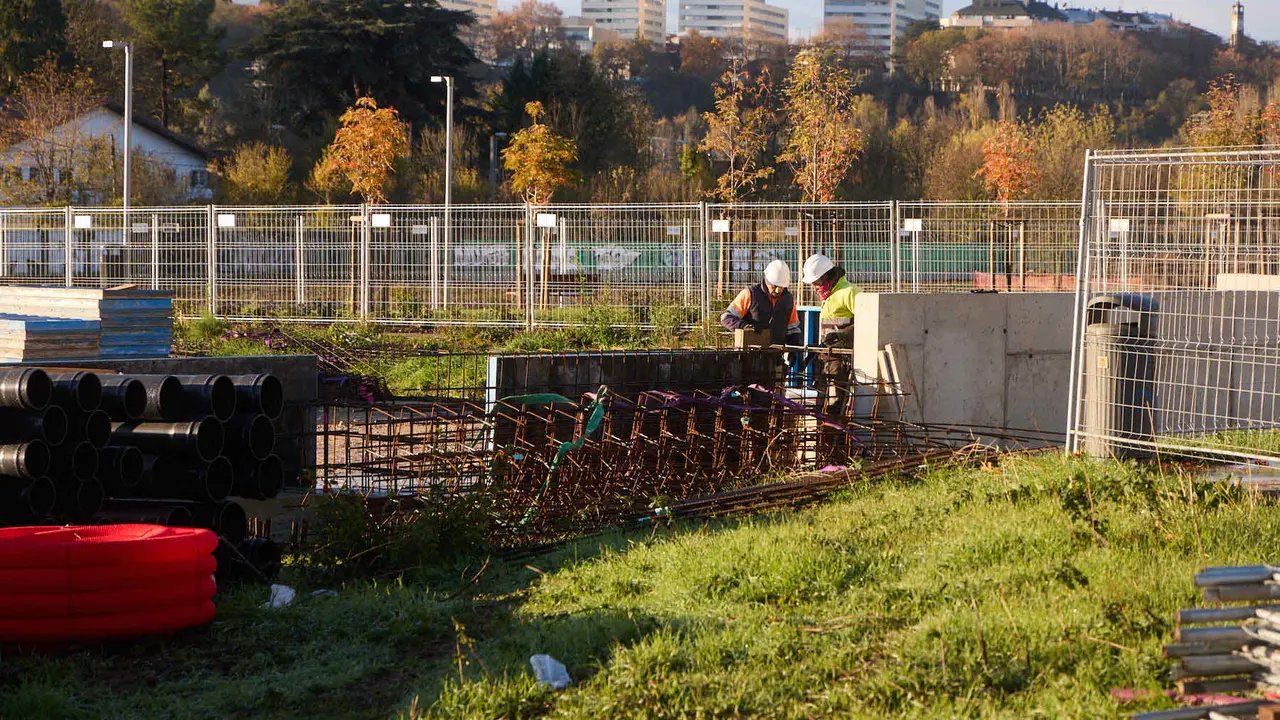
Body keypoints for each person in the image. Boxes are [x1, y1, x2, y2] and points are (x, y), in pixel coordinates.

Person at [801, 253, 861, 419]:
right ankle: (823, 429)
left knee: (836, 404)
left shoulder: (849, 292)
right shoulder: (829, 294)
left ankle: (836, 431)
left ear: (826, 276)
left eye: (816, 282)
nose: (814, 287)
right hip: (827, 355)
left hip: (842, 358)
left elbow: (866, 320)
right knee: (821, 402)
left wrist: (842, 335)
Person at [720, 259, 802, 346]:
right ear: (767, 280)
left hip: (776, 351)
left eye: (781, 287)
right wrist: (744, 326)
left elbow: (793, 329)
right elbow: (726, 317)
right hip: (749, 351)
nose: (778, 291)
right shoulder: (750, 294)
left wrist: (794, 348)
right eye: (774, 286)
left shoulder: (788, 300)